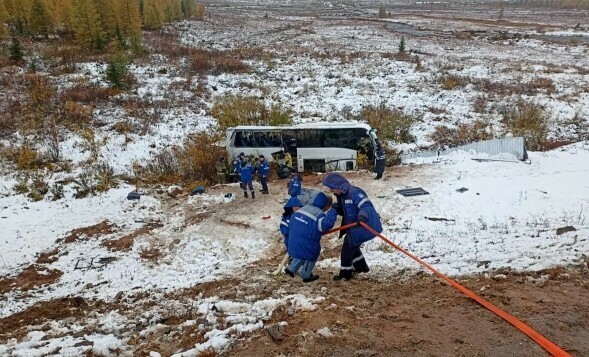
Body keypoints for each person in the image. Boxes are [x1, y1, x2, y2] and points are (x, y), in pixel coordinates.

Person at [322, 173, 383, 281]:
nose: (332, 192)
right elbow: (347, 209)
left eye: (333, 189)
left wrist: (362, 216)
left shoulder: (354, 193)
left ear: (339, 187)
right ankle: (362, 268)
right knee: (352, 245)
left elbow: (366, 206)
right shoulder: (342, 196)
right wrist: (336, 209)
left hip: (364, 225)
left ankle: (345, 274)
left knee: (347, 249)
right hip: (355, 227)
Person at [285, 192, 337, 282]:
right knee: (311, 254)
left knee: (301, 251)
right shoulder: (318, 214)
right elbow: (324, 226)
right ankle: (306, 275)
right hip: (306, 244)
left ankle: (291, 269)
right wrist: (333, 212)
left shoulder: (303, 209)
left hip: (292, 242)